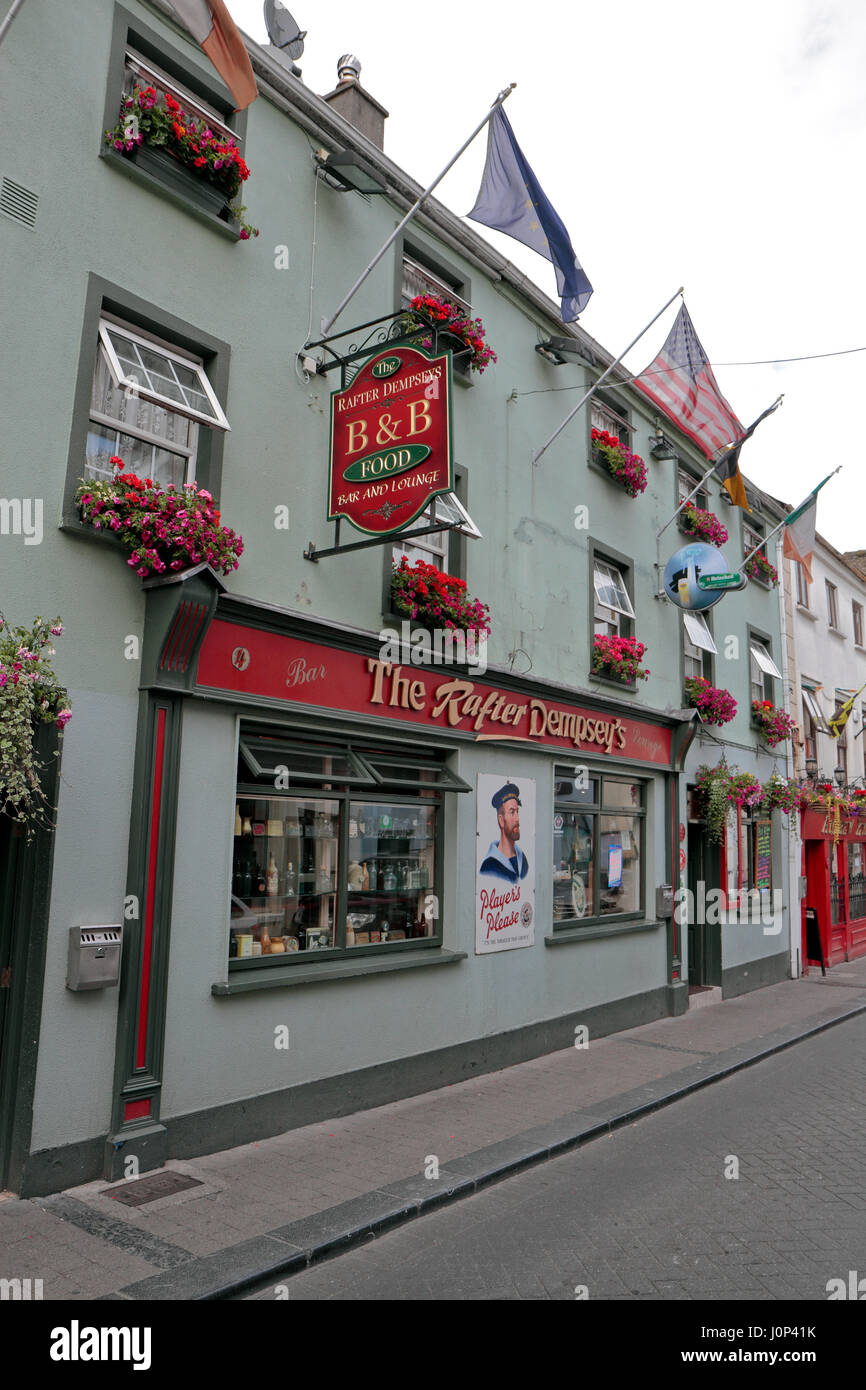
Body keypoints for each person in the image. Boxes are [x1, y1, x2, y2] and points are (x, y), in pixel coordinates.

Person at [480, 783, 529, 882]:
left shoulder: (522, 860)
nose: (517, 819)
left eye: (517, 812)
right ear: (501, 820)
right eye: (512, 812)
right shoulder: (489, 866)